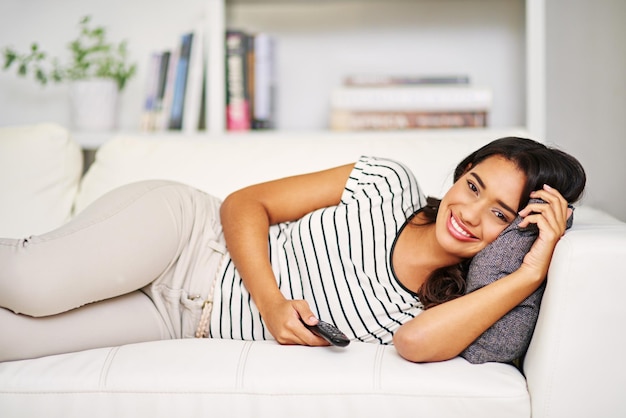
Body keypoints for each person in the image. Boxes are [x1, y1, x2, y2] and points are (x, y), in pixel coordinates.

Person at [0, 137, 586, 363]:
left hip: (180, 321)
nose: (469, 214)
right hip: (185, 238)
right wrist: (272, 303)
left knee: (14, 343)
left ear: (515, 232)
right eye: (473, 187)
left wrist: (528, 273)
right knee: (31, 284)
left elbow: (411, 345)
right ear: (458, 175)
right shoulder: (387, 182)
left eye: (501, 216)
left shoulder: (441, 309)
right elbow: (242, 204)